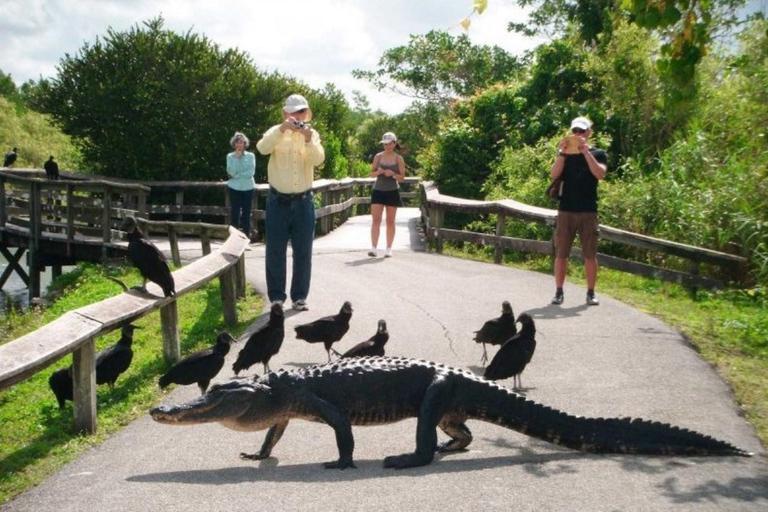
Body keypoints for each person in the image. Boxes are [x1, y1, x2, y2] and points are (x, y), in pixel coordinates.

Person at [256, 94, 324, 311]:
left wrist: (307, 138)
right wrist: (281, 130)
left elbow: (318, 159)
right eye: (293, 112)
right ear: (285, 113)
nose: (297, 116)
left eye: (301, 111)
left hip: (304, 201)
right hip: (278, 201)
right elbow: (262, 148)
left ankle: (300, 297)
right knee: (275, 251)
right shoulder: (275, 131)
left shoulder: (312, 135)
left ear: (307, 113)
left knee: (303, 252)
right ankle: (276, 297)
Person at [549, 116, 608, 306]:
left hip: (588, 210)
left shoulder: (598, 153)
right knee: (561, 253)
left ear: (589, 132)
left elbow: (600, 174)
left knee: (590, 254)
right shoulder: (564, 154)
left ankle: (591, 292)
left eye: (581, 131)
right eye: (575, 131)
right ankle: (559, 291)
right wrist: (562, 153)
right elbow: (554, 174)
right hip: (566, 209)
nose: (577, 135)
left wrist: (585, 153)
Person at [368, 132, 405, 258]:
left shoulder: (398, 158)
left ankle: (388, 248)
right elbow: (371, 174)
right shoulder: (378, 157)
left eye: (389, 144)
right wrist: (378, 172)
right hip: (378, 190)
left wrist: (393, 174)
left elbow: (402, 179)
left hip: (392, 191)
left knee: (390, 221)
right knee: (376, 220)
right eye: (385, 144)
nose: (387, 146)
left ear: (394, 144)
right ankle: (373, 248)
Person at [226, 132, 256, 240]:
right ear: (234, 144)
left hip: (248, 188)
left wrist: (237, 175)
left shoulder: (251, 156)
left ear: (245, 144)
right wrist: (237, 158)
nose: (239, 145)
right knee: (235, 213)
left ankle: (246, 239)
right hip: (234, 188)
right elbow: (231, 172)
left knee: (246, 214)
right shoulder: (230, 156)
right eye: (237, 142)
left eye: (241, 142)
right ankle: (234, 239)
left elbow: (250, 173)